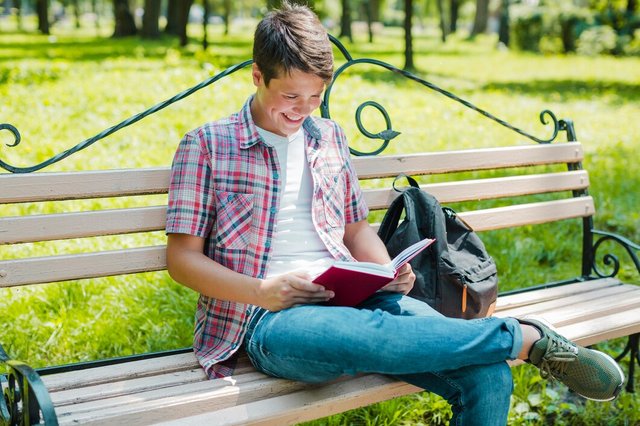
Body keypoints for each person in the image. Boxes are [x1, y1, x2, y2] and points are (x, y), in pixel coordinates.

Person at [165, 2, 625, 424]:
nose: (302, 111)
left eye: (313, 98)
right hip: (268, 318)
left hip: (356, 298)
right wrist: (261, 291)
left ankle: (513, 341)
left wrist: (383, 270)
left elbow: (356, 228)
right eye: (290, 97)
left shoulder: (328, 137)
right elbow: (182, 259)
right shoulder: (206, 145)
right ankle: (519, 337)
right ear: (256, 76)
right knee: (368, 334)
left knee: (488, 377)